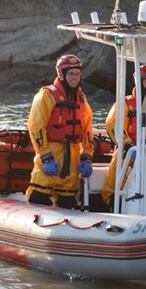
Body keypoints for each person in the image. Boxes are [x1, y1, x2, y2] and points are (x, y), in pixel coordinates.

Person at [25, 54, 95, 209]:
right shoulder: (47, 95)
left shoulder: (81, 99)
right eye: (71, 74)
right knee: (38, 198)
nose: (75, 78)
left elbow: (87, 129)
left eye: (77, 74)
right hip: (50, 156)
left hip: (72, 161)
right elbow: (36, 127)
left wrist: (87, 157)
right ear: (61, 74)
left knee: (69, 203)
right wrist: (46, 157)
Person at [101, 64, 146, 210]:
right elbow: (113, 124)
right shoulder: (125, 103)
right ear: (139, 82)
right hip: (127, 152)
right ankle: (113, 206)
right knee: (115, 184)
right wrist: (127, 145)